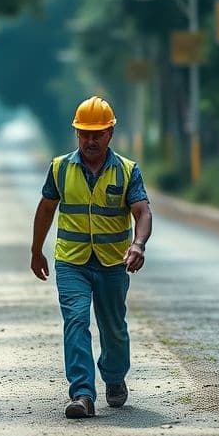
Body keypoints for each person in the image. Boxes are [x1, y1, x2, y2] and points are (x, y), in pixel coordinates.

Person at [30, 96, 152, 419]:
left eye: (97, 133)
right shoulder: (59, 168)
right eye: (84, 133)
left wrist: (138, 244)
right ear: (76, 134)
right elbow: (45, 209)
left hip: (114, 263)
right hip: (72, 262)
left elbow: (142, 211)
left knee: (113, 328)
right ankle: (82, 393)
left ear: (110, 133)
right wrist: (35, 249)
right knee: (76, 320)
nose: (90, 140)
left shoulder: (127, 171)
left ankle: (114, 377)